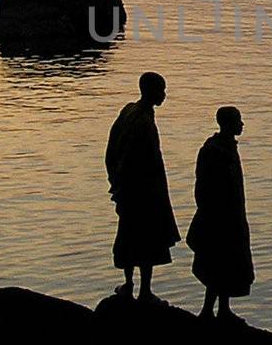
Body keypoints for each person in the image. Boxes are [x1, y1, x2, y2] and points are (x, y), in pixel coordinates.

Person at [105, 72, 180, 303]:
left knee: (130, 238)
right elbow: (131, 159)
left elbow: (111, 152)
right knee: (146, 241)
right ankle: (144, 291)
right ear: (150, 91)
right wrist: (122, 187)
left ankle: (129, 286)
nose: (164, 95)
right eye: (161, 90)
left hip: (130, 191)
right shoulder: (142, 122)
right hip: (143, 193)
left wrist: (115, 183)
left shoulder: (129, 112)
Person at [187, 106, 254, 321]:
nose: (242, 124)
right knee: (218, 262)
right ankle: (210, 310)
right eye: (238, 120)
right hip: (219, 218)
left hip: (231, 216)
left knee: (225, 263)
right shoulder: (215, 151)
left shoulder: (224, 148)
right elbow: (204, 187)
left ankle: (222, 308)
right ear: (228, 124)